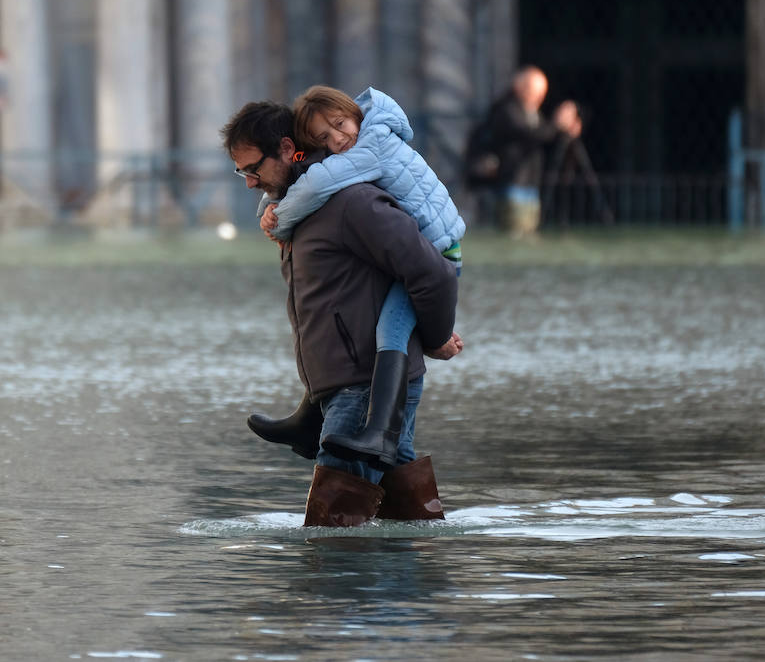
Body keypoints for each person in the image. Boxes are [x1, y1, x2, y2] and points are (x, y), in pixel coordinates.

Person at [221, 100, 460, 527]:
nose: (250, 182)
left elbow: (433, 272)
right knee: (403, 509)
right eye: (242, 173)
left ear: (287, 149)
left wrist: (437, 336)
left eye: (253, 168)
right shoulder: (300, 208)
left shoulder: (352, 201)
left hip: (363, 385)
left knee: (332, 535)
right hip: (345, 382)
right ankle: (416, 558)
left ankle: (362, 571)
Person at [488, 66, 581, 237]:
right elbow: (531, 134)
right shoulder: (507, 110)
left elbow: (545, 135)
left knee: (529, 235)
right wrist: (557, 124)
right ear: (519, 87)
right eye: (534, 92)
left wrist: (565, 129)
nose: (538, 98)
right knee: (515, 235)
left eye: (541, 93)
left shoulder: (532, 113)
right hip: (513, 185)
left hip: (530, 186)